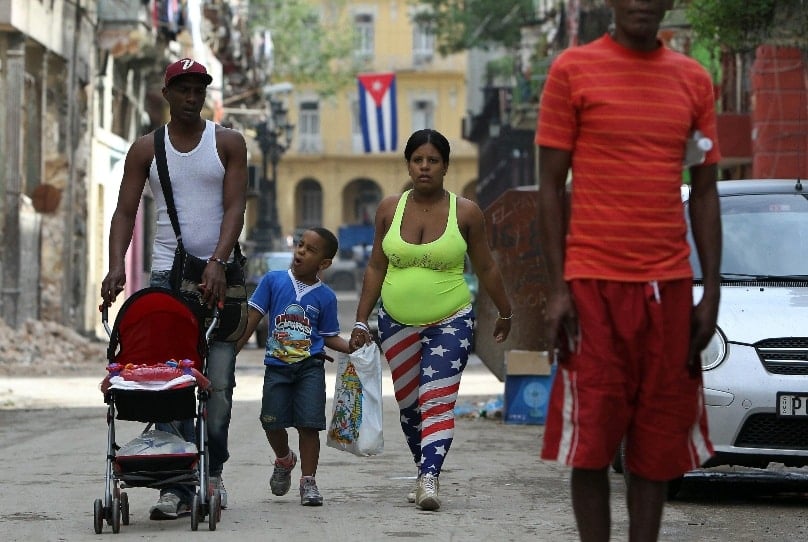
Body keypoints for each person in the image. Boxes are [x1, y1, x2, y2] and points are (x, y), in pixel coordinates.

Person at [535, 1, 721, 540]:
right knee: (591, 444)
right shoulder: (572, 70)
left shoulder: (695, 80)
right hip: (592, 287)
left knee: (656, 445)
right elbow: (550, 186)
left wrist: (709, 292)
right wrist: (557, 287)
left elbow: (705, 193)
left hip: (669, 288)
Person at [100, 58, 247, 519]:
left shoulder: (227, 143)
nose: (191, 96)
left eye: (198, 89)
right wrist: (115, 266)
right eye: (181, 89)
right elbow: (125, 211)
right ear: (165, 93)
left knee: (217, 385)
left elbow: (235, 206)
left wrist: (219, 261)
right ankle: (177, 485)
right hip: (167, 277)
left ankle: (212, 473)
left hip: (223, 277)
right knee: (167, 381)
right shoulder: (146, 149)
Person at [349, 129, 512, 511]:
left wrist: (505, 311)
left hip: (451, 320)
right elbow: (375, 266)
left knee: (436, 400)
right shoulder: (390, 208)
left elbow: (486, 266)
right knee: (409, 404)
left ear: (445, 166)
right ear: (409, 164)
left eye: (433, 160)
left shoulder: (467, 211)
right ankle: (425, 468)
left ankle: (429, 478)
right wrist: (360, 320)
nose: (424, 167)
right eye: (417, 160)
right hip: (395, 321)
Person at [235, 227, 350, 506]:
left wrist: (352, 346)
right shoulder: (273, 281)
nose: (300, 251)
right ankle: (285, 459)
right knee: (271, 422)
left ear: (324, 264)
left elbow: (328, 336)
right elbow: (253, 318)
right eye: (300, 245)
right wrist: (232, 353)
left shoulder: (326, 297)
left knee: (309, 425)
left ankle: (308, 481)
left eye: (310, 250)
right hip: (277, 367)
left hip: (310, 367)